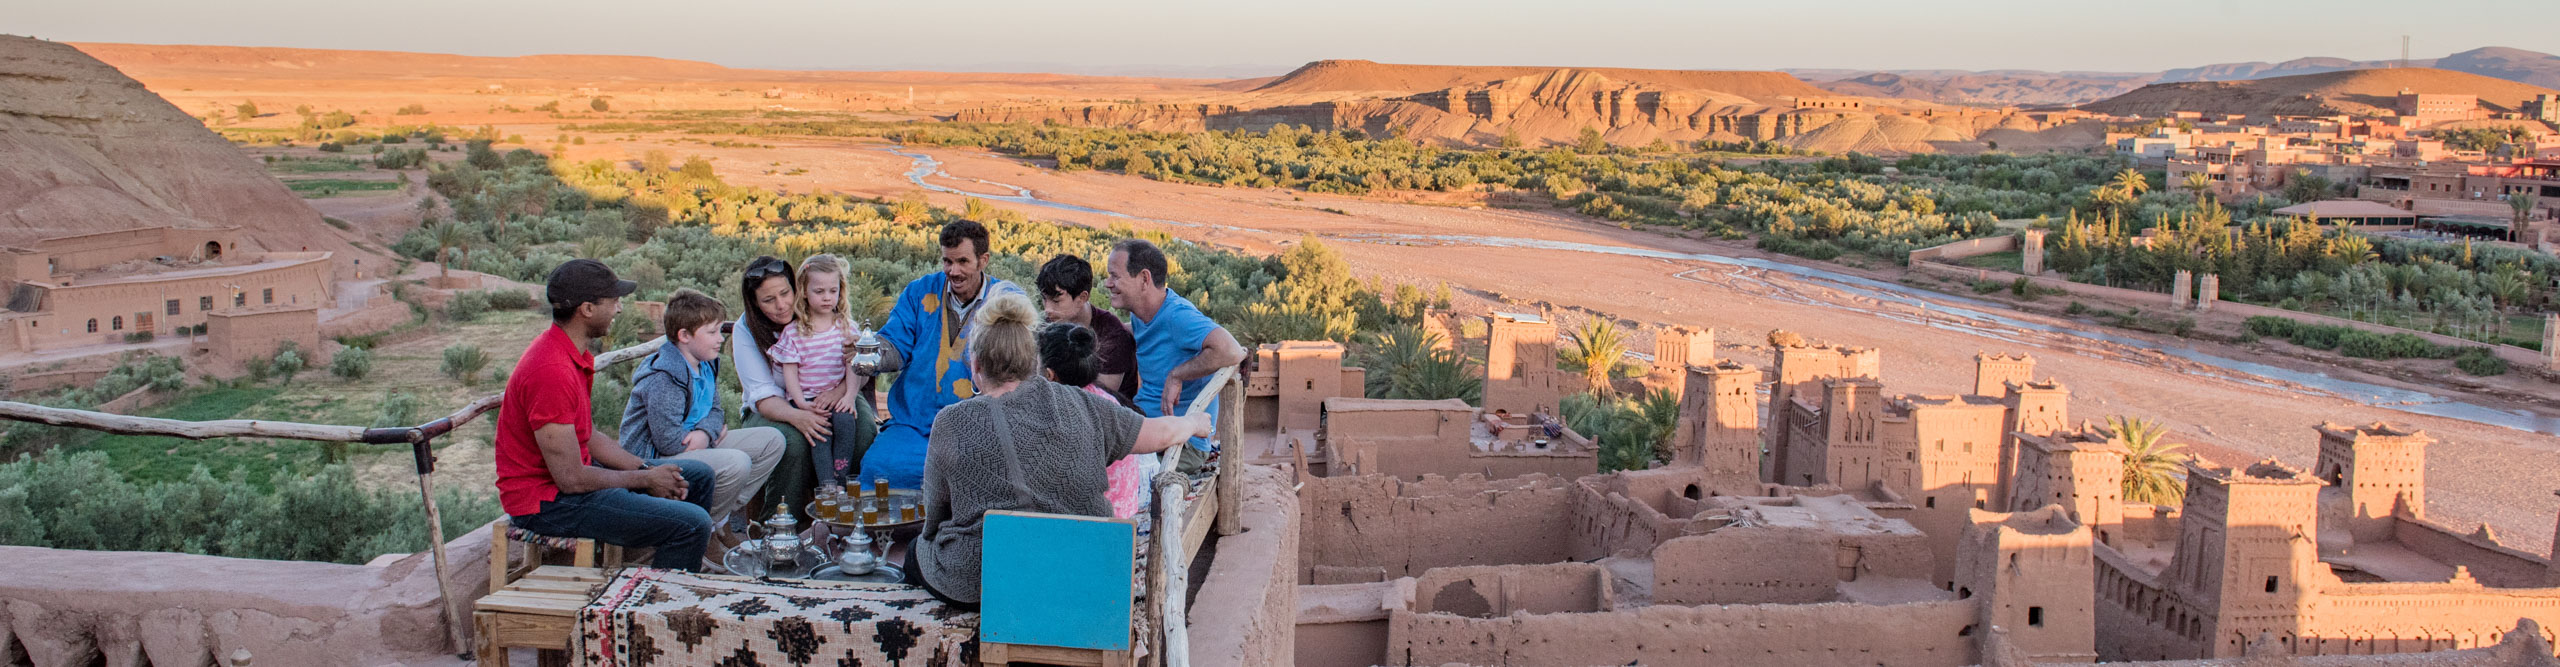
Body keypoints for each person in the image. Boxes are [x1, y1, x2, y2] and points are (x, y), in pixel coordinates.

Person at [908, 293, 1210, 610]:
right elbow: (1159, 433)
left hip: (989, 583)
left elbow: (935, 514)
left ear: (976, 365)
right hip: (1082, 574)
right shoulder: (1084, 404)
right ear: (1033, 361)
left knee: (917, 550)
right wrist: (1192, 423)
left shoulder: (951, 422)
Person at [497, 259, 718, 571]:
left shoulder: (570, 354)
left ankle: (676, 566)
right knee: (692, 524)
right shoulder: (551, 370)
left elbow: (587, 435)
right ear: (587, 309)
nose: (619, 309)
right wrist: (644, 479)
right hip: (546, 504)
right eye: (613, 301)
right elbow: (571, 479)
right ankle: (659, 595)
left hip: (567, 487)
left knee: (698, 476)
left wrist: (645, 469)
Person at [869, 220, 1027, 489]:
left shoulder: (1006, 299)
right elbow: (895, 343)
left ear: (983, 260)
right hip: (914, 423)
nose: (953, 271)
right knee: (879, 469)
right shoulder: (920, 291)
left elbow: (1019, 364)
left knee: (975, 480)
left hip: (979, 427)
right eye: (947, 261)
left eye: (963, 261)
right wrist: (870, 352)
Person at [616, 288, 784, 538]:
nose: (721, 338)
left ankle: (717, 520)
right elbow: (668, 442)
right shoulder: (664, 378)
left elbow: (716, 411)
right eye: (712, 332)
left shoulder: (706, 363)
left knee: (773, 441)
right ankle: (701, 530)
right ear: (684, 335)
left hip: (697, 442)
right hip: (654, 459)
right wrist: (709, 434)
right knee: (737, 462)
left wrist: (705, 433)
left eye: (720, 330)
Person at [731, 256, 873, 526]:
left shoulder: (822, 310)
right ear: (755, 303)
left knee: (862, 428)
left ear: (798, 288)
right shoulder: (747, 329)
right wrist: (800, 416)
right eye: (768, 300)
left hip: (834, 392)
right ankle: (780, 525)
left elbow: (857, 368)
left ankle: (851, 516)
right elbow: (763, 396)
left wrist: (839, 392)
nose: (781, 305)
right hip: (775, 406)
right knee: (793, 442)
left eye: (785, 293)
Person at [1103, 238, 1247, 475]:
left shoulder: (1177, 316)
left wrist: (1178, 375)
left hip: (1182, 443)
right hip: (1149, 427)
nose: (1108, 283)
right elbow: (1143, 334)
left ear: (1144, 279)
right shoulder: (1143, 314)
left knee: (1109, 472)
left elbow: (1230, 350)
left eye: (1115, 276)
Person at [764, 254, 875, 493]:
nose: (827, 297)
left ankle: (841, 480)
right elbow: (790, 372)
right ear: (804, 292)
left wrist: (849, 396)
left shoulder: (846, 327)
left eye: (833, 291)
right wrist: (801, 403)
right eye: (819, 291)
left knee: (846, 421)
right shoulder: (795, 331)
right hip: (808, 397)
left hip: (838, 393)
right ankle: (827, 485)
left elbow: (853, 365)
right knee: (820, 433)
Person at [1037, 320, 1155, 519]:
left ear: (1050, 375)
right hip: (1124, 511)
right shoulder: (1105, 399)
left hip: (1095, 522)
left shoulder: (1064, 411)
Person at [1035, 254, 1139, 402]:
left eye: (1056, 301)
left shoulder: (1112, 336)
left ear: (1082, 297)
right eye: (1044, 299)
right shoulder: (1049, 323)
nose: (1048, 309)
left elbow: (1097, 399)